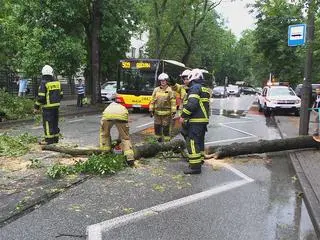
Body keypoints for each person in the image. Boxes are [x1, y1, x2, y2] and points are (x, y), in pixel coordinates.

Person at [180, 68, 210, 174]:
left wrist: (183, 116)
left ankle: (195, 167)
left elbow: (192, 104)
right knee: (200, 141)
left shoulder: (195, 88)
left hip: (196, 120)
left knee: (192, 141)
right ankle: (200, 160)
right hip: (203, 120)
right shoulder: (204, 88)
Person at [34, 65, 63, 145]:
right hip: (56, 107)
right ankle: (55, 139)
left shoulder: (43, 83)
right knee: (54, 123)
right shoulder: (57, 82)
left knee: (47, 123)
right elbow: (61, 95)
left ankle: (49, 140)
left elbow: (41, 97)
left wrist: (36, 107)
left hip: (47, 108)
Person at [149, 73, 176, 142]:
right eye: (161, 81)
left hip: (166, 114)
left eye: (164, 81)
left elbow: (173, 101)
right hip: (157, 114)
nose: (162, 82)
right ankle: (158, 143)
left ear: (167, 81)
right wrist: (151, 110)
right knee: (157, 128)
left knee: (165, 129)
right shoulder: (156, 90)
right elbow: (152, 100)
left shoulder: (170, 90)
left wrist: (173, 111)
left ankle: (167, 144)